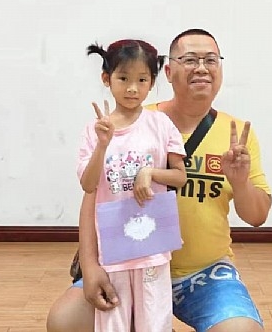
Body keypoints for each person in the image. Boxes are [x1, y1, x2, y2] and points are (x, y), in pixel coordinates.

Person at [47, 29, 272, 332]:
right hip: (127, 263)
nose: (202, 68)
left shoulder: (237, 134)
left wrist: (240, 181)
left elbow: (257, 216)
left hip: (201, 275)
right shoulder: (130, 119)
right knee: (66, 321)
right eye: (190, 59)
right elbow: (92, 196)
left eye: (211, 60)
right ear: (166, 72)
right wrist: (89, 265)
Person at [79, 39, 187, 332]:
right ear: (106, 78)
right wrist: (102, 145)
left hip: (152, 245)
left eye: (142, 80)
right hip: (113, 246)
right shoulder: (95, 130)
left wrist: (150, 173)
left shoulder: (161, 124)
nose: (132, 88)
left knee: (154, 322)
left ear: (152, 82)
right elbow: (88, 185)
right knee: (113, 321)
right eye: (123, 78)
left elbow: (180, 177)